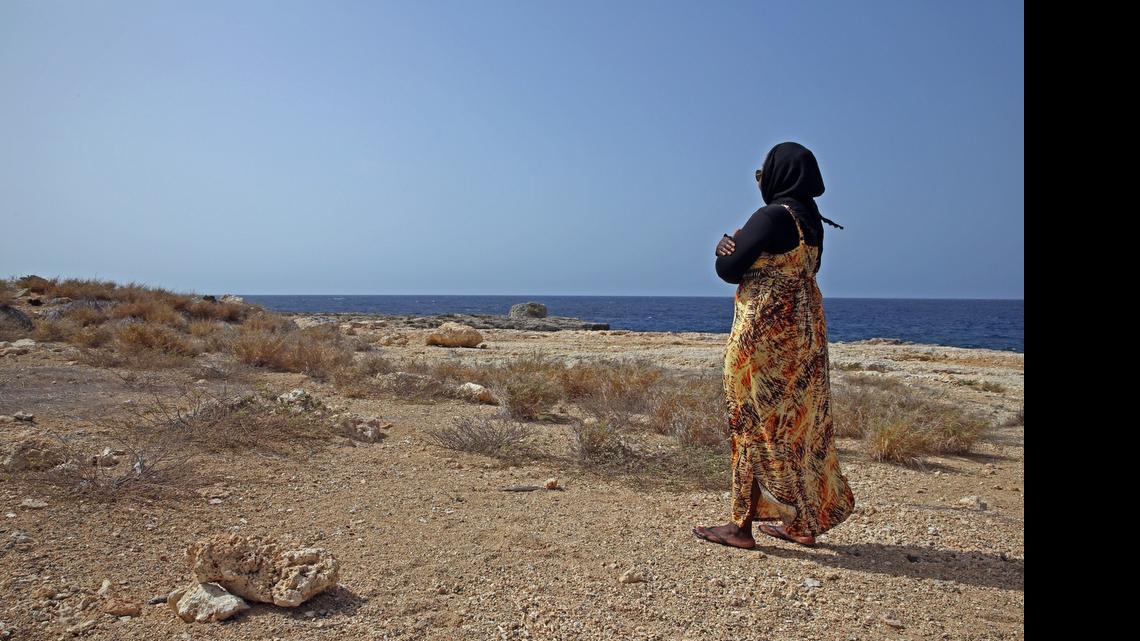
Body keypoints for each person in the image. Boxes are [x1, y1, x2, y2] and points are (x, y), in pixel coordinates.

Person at [692, 141, 854, 549]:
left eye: (762, 173)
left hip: (761, 339)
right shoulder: (811, 220)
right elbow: (808, 269)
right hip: (802, 336)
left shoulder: (770, 216)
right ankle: (800, 524)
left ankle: (740, 526)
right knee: (798, 428)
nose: (760, 180)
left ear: (779, 175)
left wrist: (723, 247)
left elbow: (729, 269)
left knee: (749, 425)